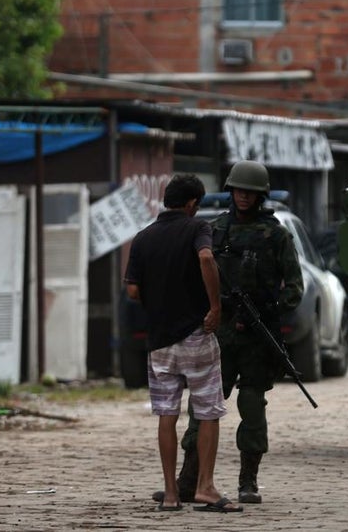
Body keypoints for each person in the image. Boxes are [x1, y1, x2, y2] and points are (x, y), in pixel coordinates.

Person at [169, 160, 304, 506]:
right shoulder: (213, 230)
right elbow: (193, 277)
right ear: (232, 192)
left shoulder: (276, 235)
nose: (244, 197)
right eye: (239, 191)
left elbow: (294, 287)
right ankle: (189, 480)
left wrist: (269, 309)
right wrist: (212, 308)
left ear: (260, 195)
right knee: (203, 407)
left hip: (257, 338)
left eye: (250, 192)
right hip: (219, 333)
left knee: (252, 405)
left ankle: (248, 480)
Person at [125, 174, 243, 513]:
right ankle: (205, 488)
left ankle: (171, 493)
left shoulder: (143, 237)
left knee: (166, 414)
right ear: (192, 204)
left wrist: (160, 301)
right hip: (196, 335)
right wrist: (215, 307)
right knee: (208, 412)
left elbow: (132, 290)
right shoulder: (197, 228)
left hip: (160, 342)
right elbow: (206, 259)